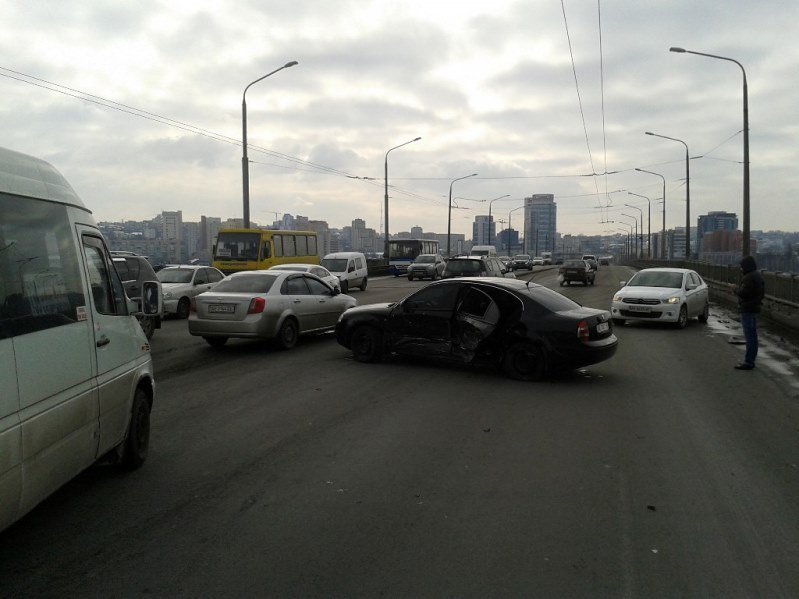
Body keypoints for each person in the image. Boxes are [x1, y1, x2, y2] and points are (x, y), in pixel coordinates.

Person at [733, 255, 765, 370]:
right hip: (754, 308)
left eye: (742, 267)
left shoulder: (749, 277)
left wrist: (735, 289)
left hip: (748, 309)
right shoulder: (757, 275)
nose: (741, 269)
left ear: (746, 266)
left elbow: (744, 293)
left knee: (750, 337)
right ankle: (751, 360)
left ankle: (749, 362)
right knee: (753, 336)